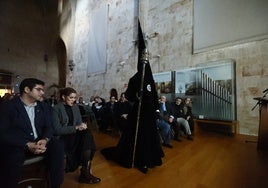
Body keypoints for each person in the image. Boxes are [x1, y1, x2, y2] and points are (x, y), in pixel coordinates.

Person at [101, 21, 164, 174]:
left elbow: (154, 94)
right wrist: (136, 95)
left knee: (150, 136)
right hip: (138, 113)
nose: (144, 61)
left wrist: (156, 109)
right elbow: (128, 95)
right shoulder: (135, 79)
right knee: (139, 137)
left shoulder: (150, 78)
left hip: (149, 113)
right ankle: (139, 160)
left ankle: (150, 159)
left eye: (146, 59)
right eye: (142, 59)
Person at [0, 78, 64, 188]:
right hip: (19, 144)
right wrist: (27, 144)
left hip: (40, 141)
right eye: (39, 89)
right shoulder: (8, 106)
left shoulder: (44, 106)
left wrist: (45, 140)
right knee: (12, 156)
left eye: (42, 90)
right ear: (27, 89)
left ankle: (55, 184)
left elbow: (49, 127)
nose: (42, 93)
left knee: (57, 146)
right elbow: (3, 132)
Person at [52, 87, 100, 184]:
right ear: (63, 97)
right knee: (87, 140)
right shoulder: (56, 109)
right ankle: (85, 173)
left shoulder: (75, 107)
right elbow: (57, 130)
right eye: (71, 98)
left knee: (87, 134)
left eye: (74, 98)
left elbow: (78, 122)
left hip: (75, 134)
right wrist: (76, 128)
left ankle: (85, 172)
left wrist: (82, 126)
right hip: (63, 136)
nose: (73, 100)